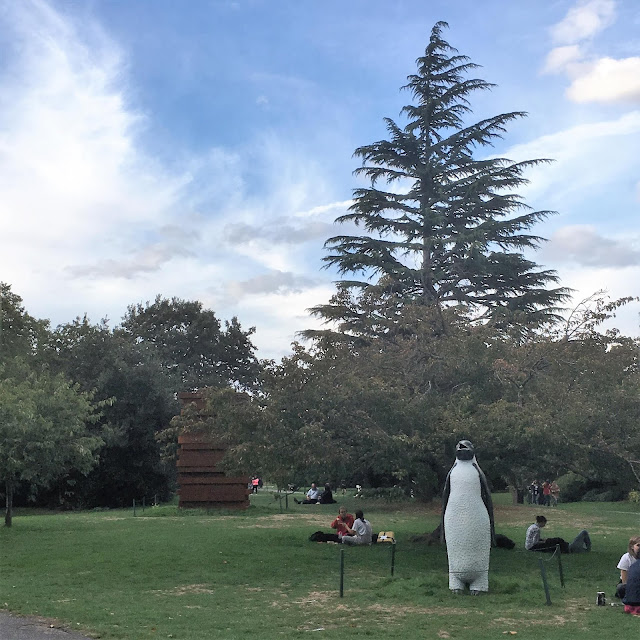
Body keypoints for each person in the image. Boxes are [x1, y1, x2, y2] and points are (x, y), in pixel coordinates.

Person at [524, 515, 591, 554]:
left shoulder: (532, 526)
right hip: (532, 547)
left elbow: (533, 539)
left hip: (528, 546)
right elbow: (535, 542)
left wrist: (544, 540)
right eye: (544, 523)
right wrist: (544, 541)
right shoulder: (537, 529)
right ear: (541, 522)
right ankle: (587, 549)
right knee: (584, 532)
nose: (544, 525)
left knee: (553, 540)